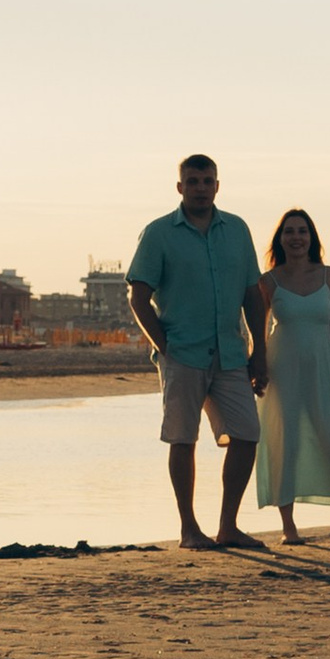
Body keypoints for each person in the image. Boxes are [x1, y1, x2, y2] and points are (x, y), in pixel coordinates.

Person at [124, 155, 264, 550]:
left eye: (207, 180)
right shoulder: (158, 233)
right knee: (182, 439)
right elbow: (139, 297)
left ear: (217, 186)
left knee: (247, 434)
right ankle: (189, 529)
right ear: (180, 187)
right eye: (192, 180)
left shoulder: (237, 231)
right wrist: (163, 346)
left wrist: (260, 351)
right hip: (181, 353)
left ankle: (228, 526)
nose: (200, 187)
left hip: (232, 354)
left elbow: (253, 295)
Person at [252, 206, 330, 544]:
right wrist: (258, 367)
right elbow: (257, 331)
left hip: (322, 371)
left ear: (312, 237)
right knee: (285, 445)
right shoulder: (268, 281)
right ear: (280, 239)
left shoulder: (329, 276)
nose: (296, 237)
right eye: (289, 232)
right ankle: (289, 529)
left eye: (302, 231)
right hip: (282, 372)